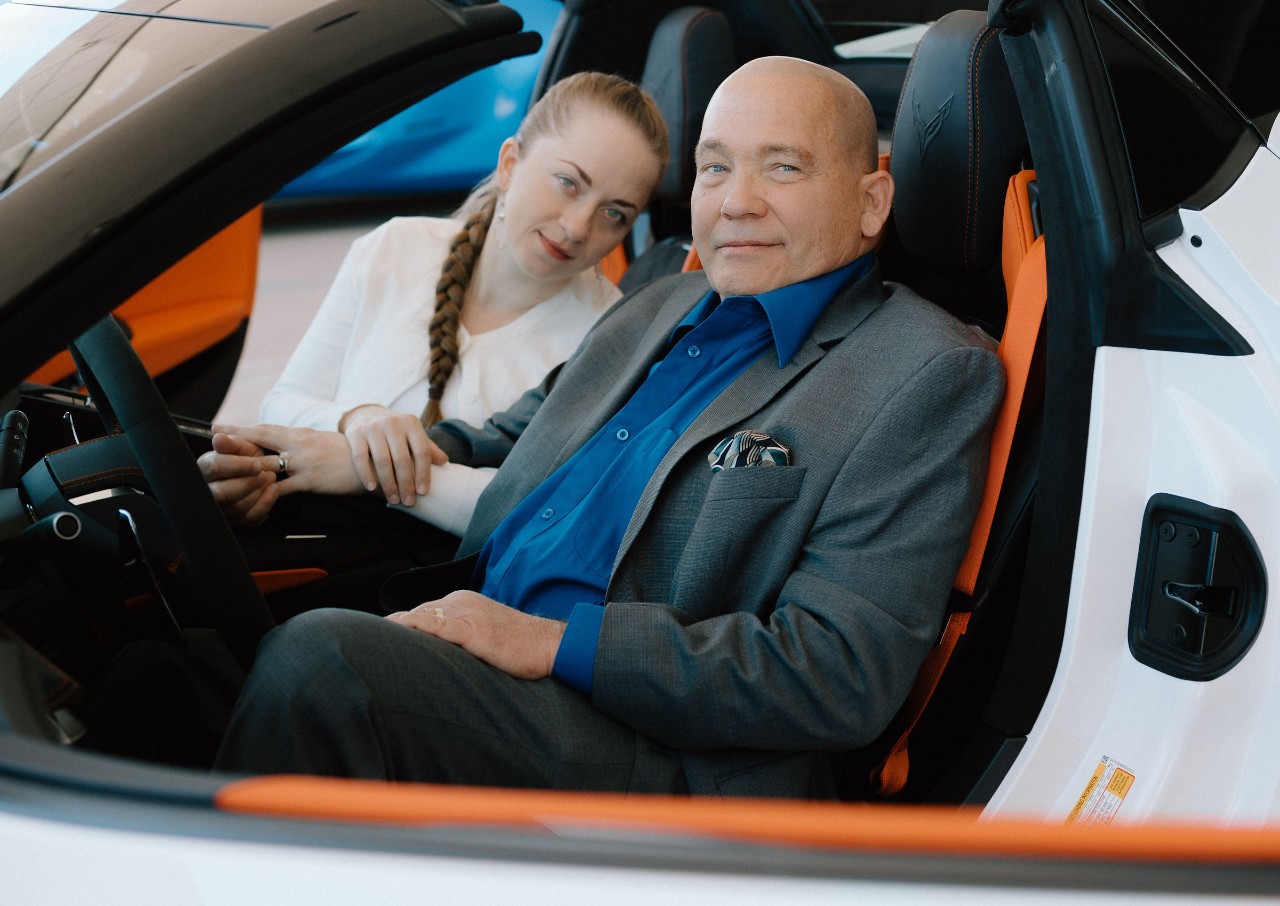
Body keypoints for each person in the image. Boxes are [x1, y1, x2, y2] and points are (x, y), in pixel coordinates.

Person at [212, 56, 1005, 800]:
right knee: (178, 655)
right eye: (717, 165)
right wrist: (352, 449)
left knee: (322, 668)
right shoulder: (660, 304)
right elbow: (508, 433)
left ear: (871, 202)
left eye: (783, 166)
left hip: (654, 745)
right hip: (477, 626)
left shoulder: (925, 371)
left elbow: (838, 674)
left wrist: (554, 644)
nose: (736, 201)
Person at [206, 71, 668, 541]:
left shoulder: (609, 338)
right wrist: (359, 420)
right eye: (568, 183)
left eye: (614, 214)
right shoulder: (393, 247)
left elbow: (551, 516)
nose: (576, 227)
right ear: (510, 164)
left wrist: (364, 466)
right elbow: (282, 404)